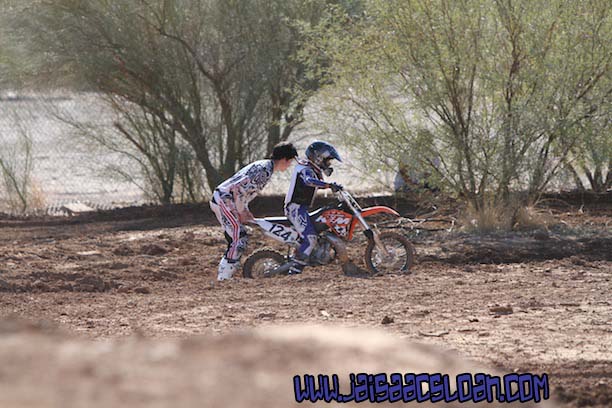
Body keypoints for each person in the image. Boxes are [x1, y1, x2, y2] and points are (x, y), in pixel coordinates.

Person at [210, 142, 298, 281]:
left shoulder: (264, 166)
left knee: (238, 237)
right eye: (290, 162)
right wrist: (241, 211)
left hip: (226, 199)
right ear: (284, 159)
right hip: (225, 200)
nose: (289, 165)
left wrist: (244, 210)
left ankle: (225, 275)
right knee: (238, 238)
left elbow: (243, 190)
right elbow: (238, 190)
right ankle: (223, 278)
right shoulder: (264, 171)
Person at [284, 140, 344, 275]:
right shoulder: (305, 168)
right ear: (318, 158)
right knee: (310, 238)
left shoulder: (311, 169)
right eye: (327, 160)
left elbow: (314, 183)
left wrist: (330, 188)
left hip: (301, 208)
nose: (328, 164)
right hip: (295, 209)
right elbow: (308, 181)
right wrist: (328, 185)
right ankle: (295, 271)